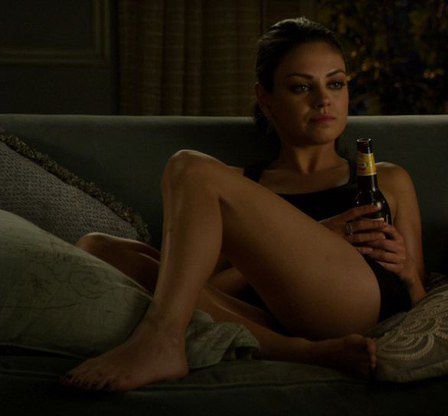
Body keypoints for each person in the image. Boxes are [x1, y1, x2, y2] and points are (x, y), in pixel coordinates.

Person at [62, 17, 425, 392]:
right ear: (265, 99)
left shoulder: (387, 179)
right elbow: (201, 290)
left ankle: (161, 340)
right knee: (97, 248)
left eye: (335, 83)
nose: (323, 99)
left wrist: (409, 273)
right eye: (301, 87)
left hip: (353, 302)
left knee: (190, 168)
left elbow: (421, 299)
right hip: (263, 320)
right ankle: (301, 353)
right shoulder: (238, 188)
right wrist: (312, 237)